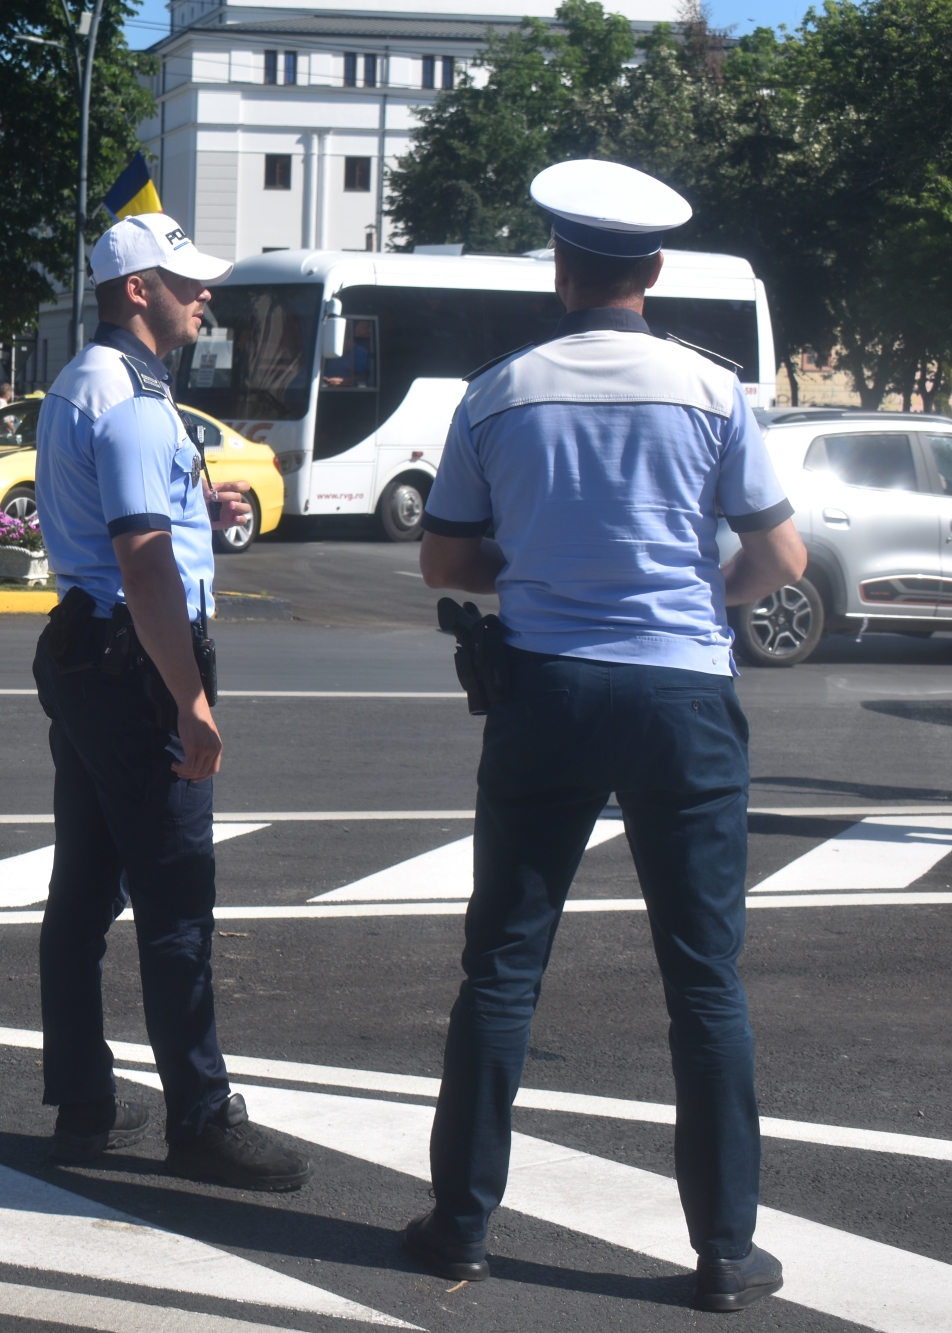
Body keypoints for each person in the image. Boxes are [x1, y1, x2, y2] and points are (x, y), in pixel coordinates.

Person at [405, 160, 807, 1314]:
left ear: (560, 268)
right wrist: (692, 596)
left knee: (501, 963)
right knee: (703, 977)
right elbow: (779, 558)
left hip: (545, 692)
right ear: (654, 270)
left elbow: (443, 560)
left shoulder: (496, 393)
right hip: (681, 701)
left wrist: (538, 570)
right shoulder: (712, 392)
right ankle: (724, 1251)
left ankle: (460, 1226)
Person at [31, 211, 309, 1191]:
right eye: (186, 282)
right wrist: (191, 702)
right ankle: (199, 1116)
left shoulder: (85, 383)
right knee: (177, 898)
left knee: (82, 889)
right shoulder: (134, 403)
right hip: (135, 668)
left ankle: (83, 1099)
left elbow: (127, 519)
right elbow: (147, 568)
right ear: (136, 290)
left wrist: (204, 505)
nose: (205, 298)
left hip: (85, 654)